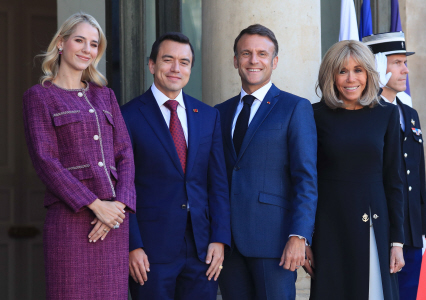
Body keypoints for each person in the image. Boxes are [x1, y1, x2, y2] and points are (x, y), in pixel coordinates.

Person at [22, 12, 135, 299]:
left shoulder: (105, 95)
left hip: (113, 224)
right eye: (80, 40)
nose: (87, 49)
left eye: (94, 44)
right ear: (61, 43)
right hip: (70, 223)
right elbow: (46, 161)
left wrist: (118, 206)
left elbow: (125, 154)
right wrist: (96, 205)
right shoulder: (39, 96)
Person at [121, 32, 231, 300]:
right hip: (150, 252)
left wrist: (219, 238)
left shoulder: (207, 115)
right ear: (152, 65)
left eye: (184, 62)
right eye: (167, 60)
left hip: (202, 250)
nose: (175, 68)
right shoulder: (128, 115)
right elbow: (124, 186)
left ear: (191, 68)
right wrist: (132, 245)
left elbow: (217, 183)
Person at [215, 24, 318, 300]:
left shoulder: (295, 107)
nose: (253, 60)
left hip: (275, 242)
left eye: (262, 53)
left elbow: (305, 178)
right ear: (235, 60)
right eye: (246, 53)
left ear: (274, 61)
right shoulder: (219, 113)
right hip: (228, 243)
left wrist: (299, 236)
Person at [310, 40, 405, 300]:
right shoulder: (313, 115)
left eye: (358, 70)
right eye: (342, 71)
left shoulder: (386, 114)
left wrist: (397, 242)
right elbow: (306, 181)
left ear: (369, 74)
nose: (351, 78)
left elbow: (394, 180)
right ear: (331, 75)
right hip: (330, 228)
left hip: (374, 227)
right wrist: (306, 238)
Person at [363, 32, 426, 300]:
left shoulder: (409, 113)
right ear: (378, 66)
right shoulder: (366, 114)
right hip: (381, 229)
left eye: (405, 62)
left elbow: (419, 175)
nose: (406, 70)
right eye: (397, 63)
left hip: (411, 232)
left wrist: (423, 230)